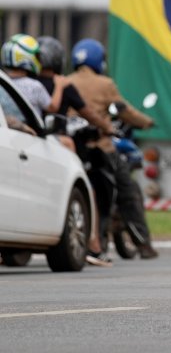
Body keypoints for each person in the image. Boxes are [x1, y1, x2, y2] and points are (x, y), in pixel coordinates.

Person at [68, 38, 159, 259]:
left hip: (73, 149)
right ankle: (143, 244)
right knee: (128, 193)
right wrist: (146, 121)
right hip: (100, 147)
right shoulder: (104, 84)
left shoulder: (66, 81)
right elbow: (125, 111)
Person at [37, 36, 116, 266]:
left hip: (27, 142)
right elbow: (88, 113)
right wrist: (108, 127)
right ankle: (94, 245)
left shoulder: (28, 84)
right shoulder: (64, 84)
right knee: (85, 190)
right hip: (58, 144)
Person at [1, 34, 66, 117]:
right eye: (36, 56)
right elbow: (52, 108)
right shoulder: (34, 86)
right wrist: (59, 86)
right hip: (28, 129)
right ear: (26, 57)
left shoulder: (3, 83)